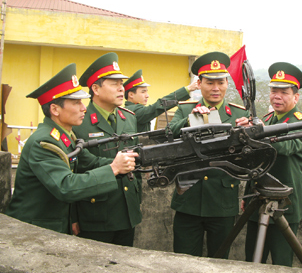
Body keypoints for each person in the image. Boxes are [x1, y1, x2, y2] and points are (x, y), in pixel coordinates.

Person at [5, 63, 137, 234]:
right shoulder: (44, 142)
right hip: (32, 230)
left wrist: (131, 161)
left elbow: (91, 162)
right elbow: (66, 186)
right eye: (76, 103)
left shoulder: (66, 137)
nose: (83, 108)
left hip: (52, 227)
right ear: (55, 109)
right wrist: (114, 168)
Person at [168, 51, 251, 258]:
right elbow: (168, 137)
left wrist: (249, 133)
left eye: (221, 82)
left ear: (226, 84)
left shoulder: (240, 114)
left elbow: (249, 156)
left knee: (219, 261)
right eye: (209, 83)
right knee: (183, 260)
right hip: (188, 198)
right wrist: (189, 121)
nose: (216, 88)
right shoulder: (186, 109)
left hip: (222, 201)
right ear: (200, 83)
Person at [243, 62, 302, 267]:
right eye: (274, 91)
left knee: (282, 264)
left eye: (284, 92)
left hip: (285, 206)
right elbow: (256, 164)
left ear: (296, 97)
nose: (277, 97)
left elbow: (286, 147)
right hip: (258, 201)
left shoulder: (301, 123)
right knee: (253, 261)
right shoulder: (267, 119)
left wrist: (261, 133)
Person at [72, 52, 141, 247]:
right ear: (95, 88)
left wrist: (138, 199)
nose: (122, 89)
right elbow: (73, 172)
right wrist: (73, 217)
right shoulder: (79, 122)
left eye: (122, 84)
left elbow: (135, 159)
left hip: (127, 209)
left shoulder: (129, 117)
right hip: (95, 213)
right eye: (114, 84)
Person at [123, 69, 200, 132]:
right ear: (131, 95)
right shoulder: (132, 111)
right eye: (143, 92)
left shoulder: (135, 109)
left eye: (147, 91)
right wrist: (187, 89)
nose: (147, 95)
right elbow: (157, 106)